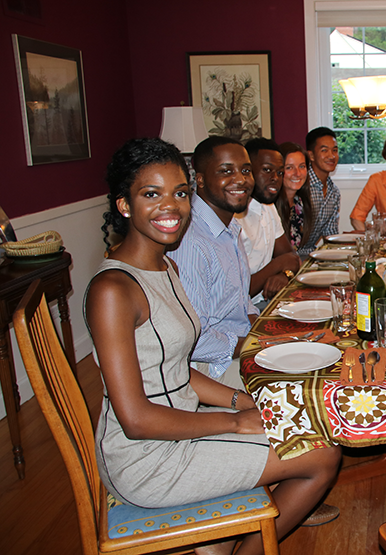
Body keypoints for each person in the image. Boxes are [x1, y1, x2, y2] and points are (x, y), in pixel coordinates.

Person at [86, 138, 341, 551]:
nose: (171, 206)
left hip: (182, 425)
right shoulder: (114, 289)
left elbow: (176, 369)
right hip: (149, 457)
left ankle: (220, 542)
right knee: (322, 456)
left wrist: (243, 404)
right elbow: (134, 418)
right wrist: (235, 421)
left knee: (301, 427)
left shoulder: (164, 265)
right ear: (124, 205)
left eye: (179, 193)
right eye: (152, 194)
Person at [167, 136, 257, 389]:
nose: (240, 179)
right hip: (211, 369)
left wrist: (264, 330)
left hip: (238, 347)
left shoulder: (228, 227)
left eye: (246, 170)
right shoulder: (191, 242)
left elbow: (241, 300)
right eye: (226, 171)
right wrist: (256, 345)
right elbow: (194, 340)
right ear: (201, 179)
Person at [236, 138, 300, 306]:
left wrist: (283, 274)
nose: (275, 178)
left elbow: (292, 258)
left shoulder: (268, 207)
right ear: (246, 171)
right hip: (245, 309)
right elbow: (238, 291)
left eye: (279, 173)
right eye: (267, 170)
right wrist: (277, 265)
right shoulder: (233, 217)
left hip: (267, 301)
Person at [303, 127, 342, 255]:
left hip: (312, 254)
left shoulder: (334, 192)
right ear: (311, 155)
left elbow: (330, 237)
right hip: (292, 256)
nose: (331, 156)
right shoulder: (301, 185)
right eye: (324, 150)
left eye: (334, 150)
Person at [276, 142, 315, 253]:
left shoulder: (300, 204)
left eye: (302, 166)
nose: (297, 173)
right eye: (289, 168)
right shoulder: (270, 207)